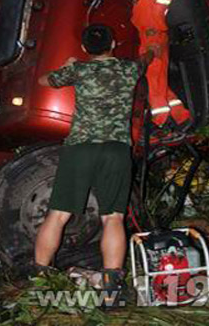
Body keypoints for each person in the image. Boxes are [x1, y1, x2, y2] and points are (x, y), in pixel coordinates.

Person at [35, 24, 141, 304]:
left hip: (80, 149)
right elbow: (147, 59)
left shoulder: (78, 70)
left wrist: (67, 64)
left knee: (57, 215)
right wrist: (154, 50)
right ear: (114, 44)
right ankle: (111, 288)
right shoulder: (129, 69)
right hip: (117, 150)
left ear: (84, 49)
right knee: (113, 218)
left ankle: (41, 281)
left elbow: (44, 81)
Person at [116, 0, 192, 133]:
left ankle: (161, 120)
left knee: (154, 81)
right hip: (157, 37)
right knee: (161, 81)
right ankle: (181, 117)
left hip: (151, 39)